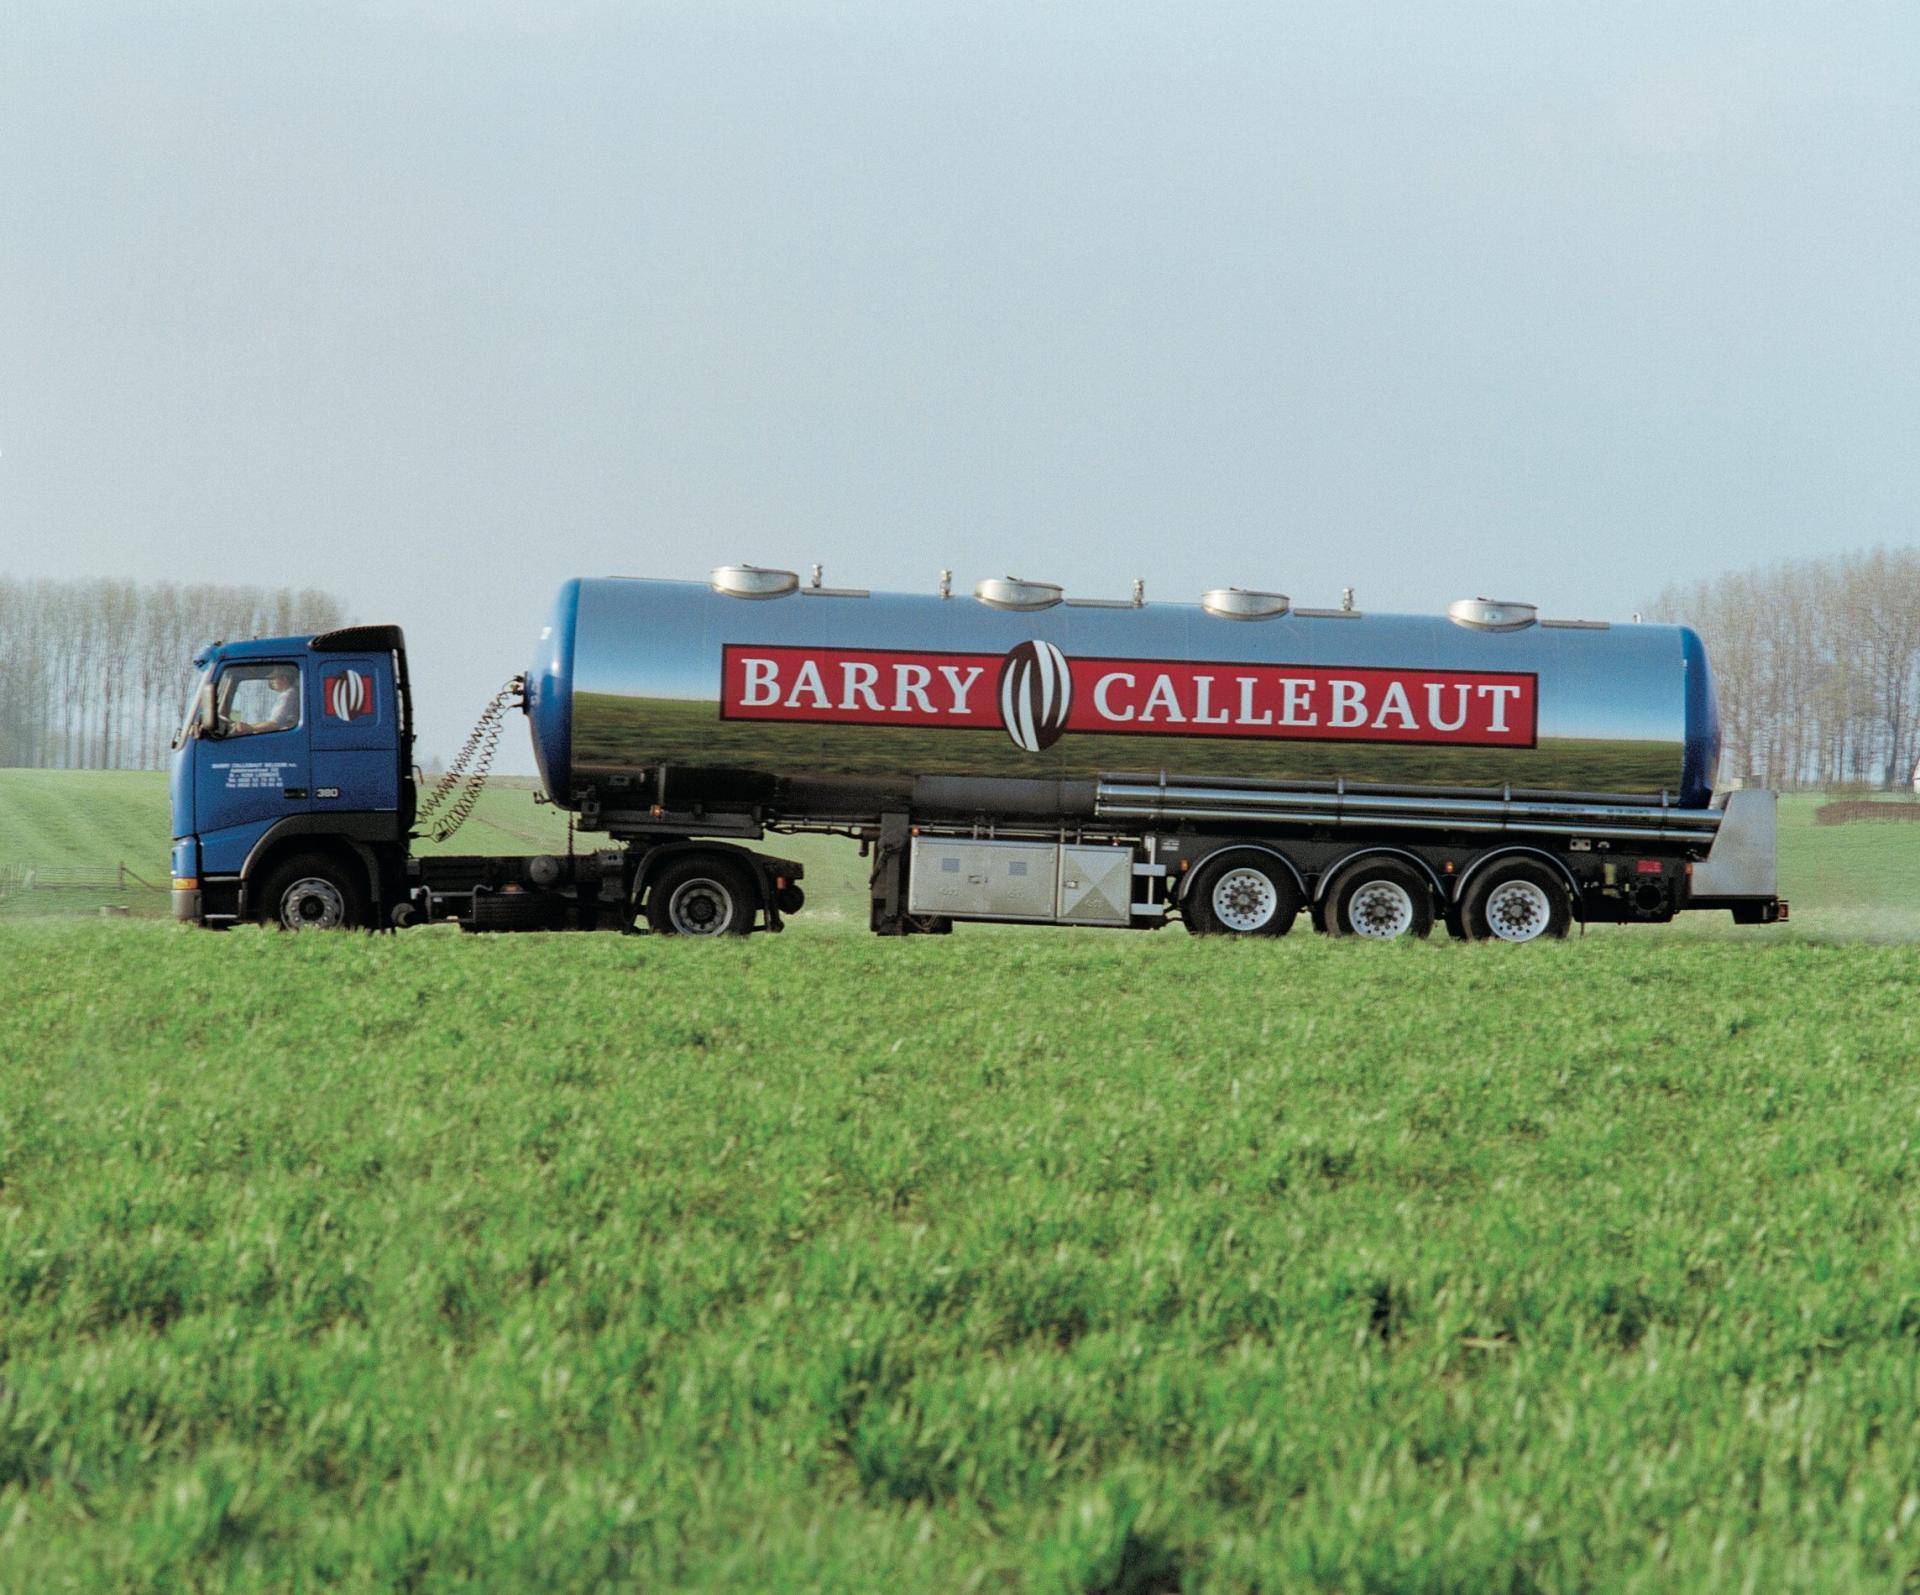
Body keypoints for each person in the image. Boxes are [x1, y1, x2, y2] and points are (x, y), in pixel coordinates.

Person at [225, 664, 300, 737]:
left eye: (273, 678)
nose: (271, 682)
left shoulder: (288, 695)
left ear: (284, 678)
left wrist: (249, 728)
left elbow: (275, 725)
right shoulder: (291, 693)